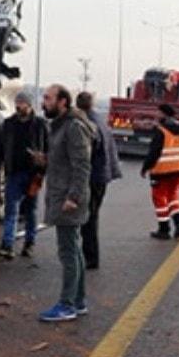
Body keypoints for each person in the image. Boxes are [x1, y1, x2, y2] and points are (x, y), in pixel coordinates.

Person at [38, 84, 95, 322]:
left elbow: (82, 164)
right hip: (64, 195)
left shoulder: (73, 127)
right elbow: (65, 160)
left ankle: (67, 304)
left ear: (62, 101)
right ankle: (78, 301)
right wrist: (47, 160)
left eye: (48, 98)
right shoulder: (60, 126)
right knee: (74, 249)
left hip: (69, 199)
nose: (44, 102)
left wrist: (73, 197)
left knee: (68, 252)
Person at [0, 91, 47, 260]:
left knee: (30, 210)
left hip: (33, 174)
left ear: (29, 105)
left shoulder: (40, 124)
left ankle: (29, 243)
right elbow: (1, 147)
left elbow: (49, 148)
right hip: (13, 173)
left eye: (22, 102)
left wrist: (43, 167)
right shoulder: (8, 124)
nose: (19, 105)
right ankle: (7, 245)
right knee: (11, 209)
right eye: (17, 102)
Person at [76, 91, 122, 269]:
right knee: (91, 217)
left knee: (88, 219)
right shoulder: (99, 120)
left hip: (93, 177)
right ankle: (90, 255)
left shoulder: (86, 124)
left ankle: (90, 257)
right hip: (102, 176)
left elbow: (85, 155)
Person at [141, 103, 179, 240]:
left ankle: (164, 229)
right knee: (173, 197)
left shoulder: (161, 131)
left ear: (163, 114)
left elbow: (154, 152)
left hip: (162, 171)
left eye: (158, 113)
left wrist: (145, 168)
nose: (156, 115)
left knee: (159, 199)